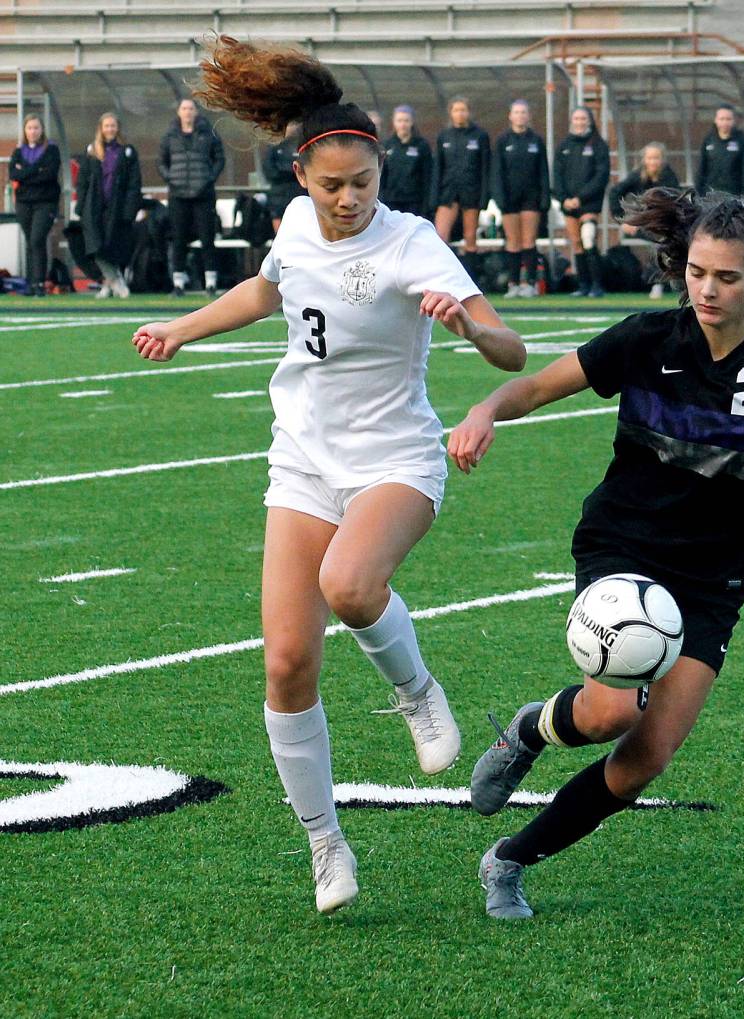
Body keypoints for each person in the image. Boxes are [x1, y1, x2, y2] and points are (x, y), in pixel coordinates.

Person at [132, 36, 527, 915]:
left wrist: (464, 323)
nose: (348, 200)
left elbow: (512, 346)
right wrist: (182, 328)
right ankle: (325, 843)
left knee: (351, 585)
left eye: (362, 184)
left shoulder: (413, 242)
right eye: (331, 186)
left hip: (396, 460)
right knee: (285, 661)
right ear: (302, 177)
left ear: (381, 169)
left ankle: (418, 691)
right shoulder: (297, 227)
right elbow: (266, 293)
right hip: (303, 461)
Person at [448, 187, 744, 920]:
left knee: (644, 760)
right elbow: (536, 386)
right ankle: (534, 729)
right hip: (625, 545)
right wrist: (483, 410)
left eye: (729, 277)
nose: (709, 290)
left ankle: (511, 854)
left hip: (711, 579)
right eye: (699, 272)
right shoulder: (648, 338)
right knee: (612, 711)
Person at [159, 96, 225, 296]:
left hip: (203, 194)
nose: (187, 112)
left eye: (190, 108)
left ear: (196, 112)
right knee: (178, 239)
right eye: (184, 108)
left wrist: (209, 178)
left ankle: (211, 282)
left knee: (207, 238)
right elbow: (161, 162)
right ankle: (178, 283)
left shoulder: (209, 133)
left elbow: (219, 158)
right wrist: (170, 178)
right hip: (178, 194)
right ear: (179, 112)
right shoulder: (169, 135)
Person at [75, 112, 143, 298]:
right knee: (94, 245)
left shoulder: (127, 151)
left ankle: (109, 282)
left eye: (113, 125)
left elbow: (134, 183)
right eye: (106, 126)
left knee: (112, 246)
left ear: (117, 128)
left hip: (117, 208)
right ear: (101, 128)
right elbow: (82, 181)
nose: (110, 129)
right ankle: (114, 280)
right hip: (94, 207)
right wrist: (80, 205)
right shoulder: (92, 151)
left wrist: (130, 208)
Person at [491, 99, 550, 297]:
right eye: (516, 112)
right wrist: (499, 197)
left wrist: (544, 197)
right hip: (509, 198)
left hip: (531, 198)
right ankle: (513, 283)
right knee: (513, 241)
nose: (520, 115)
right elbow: (497, 172)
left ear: (528, 115)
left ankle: (530, 283)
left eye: (523, 112)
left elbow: (543, 171)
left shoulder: (536, 140)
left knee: (528, 240)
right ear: (510, 116)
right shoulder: (503, 141)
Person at [610, 141, 680, 299]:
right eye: (649, 158)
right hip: (643, 225)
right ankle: (655, 283)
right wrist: (623, 220)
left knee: (664, 240)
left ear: (662, 160)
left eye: (656, 158)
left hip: (664, 224)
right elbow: (615, 192)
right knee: (660, 241)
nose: (653, 162)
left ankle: (665, 281)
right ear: (644, 160)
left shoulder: (669, 177)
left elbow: (676, 202)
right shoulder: (637, 176)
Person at [553, 106, 610, 298]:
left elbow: (601, 176)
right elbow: (557, 175)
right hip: (569, 203)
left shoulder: (598, 144)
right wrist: (564, 199)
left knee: (588, 238)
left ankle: (597, 285)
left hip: (589, 202)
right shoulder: (564, 145)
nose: (579, 122)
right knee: (576, 243)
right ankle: (583, 285)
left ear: (590, 121)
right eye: (576, 118)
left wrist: (581, 198)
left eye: (583, 118)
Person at [432, 97, 490, 284]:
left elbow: (485, 168)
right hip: (448, 193)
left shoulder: (479, 136)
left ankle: (470, 282)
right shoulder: (444, 136)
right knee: (440, 236)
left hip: (471, 193)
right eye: (456, 110)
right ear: (451, 112)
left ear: (469, 112)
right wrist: (435, 196)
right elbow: (438, 168)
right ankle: (443, 279)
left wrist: (484, 197)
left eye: (463, 110)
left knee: (470, 236)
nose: (460, 113)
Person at [9, 114, 62, 297]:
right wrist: (36, 170)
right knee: (30, 241)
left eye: (36, 128)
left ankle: (40, 282)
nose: (33, 131)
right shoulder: (18, 151)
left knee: (37, 239)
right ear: (25, 130)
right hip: (24, 203)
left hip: (45, 202)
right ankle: (31, 283)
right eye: (29, 128)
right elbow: (13, 175)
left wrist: (25, 173)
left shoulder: (51, 150)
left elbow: (49, 175)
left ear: (42, 130)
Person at [379, 105, 433, 219]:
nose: (403, 124)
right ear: (394, 122)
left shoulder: (421, 145)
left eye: (406, 120)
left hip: (414, 202)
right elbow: (382, 175)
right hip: (391, 201)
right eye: (399, 120)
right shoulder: (387, 144)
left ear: (412, 122)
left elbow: (427, 176)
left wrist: (426, 205)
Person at [696, 104, 744, 198]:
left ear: (734, 120)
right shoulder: (708, 140)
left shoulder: (742, 139)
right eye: (721, 119)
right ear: (716, 120)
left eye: (728, 119)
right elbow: (701, 169)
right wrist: (698, 193)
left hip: (734, 196)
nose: (725, 122)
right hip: (710, 195)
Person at [261, 121, 307, 232]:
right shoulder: (274, 146)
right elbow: (268, 168)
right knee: (278, 214)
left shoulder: (302, 144)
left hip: (300, 190)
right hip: (279, 191)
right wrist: (284, 173)